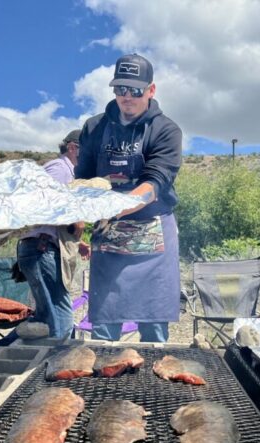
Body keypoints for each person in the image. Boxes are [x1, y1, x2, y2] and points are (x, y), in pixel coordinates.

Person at [76, 53, 183, 342]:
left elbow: (155, 182)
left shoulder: (166, 130)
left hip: (152, 234)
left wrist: (114, 205)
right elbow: (82, 179)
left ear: (151, 89)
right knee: (104, 324)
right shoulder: (94, 128)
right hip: (108, 235)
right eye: (120, 88)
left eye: (135, 90)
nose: (127, 96)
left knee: (153, 326)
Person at [17, 130, 90, 339]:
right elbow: (44, 201)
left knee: (44, 318)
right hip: (41, 249)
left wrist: (79, 241)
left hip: (42, 246)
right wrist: (75, 218)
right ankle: (54, 366)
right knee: (62, 320)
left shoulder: (67, 172)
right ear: (73, 148)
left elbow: (52, 221)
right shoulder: (59, 169)